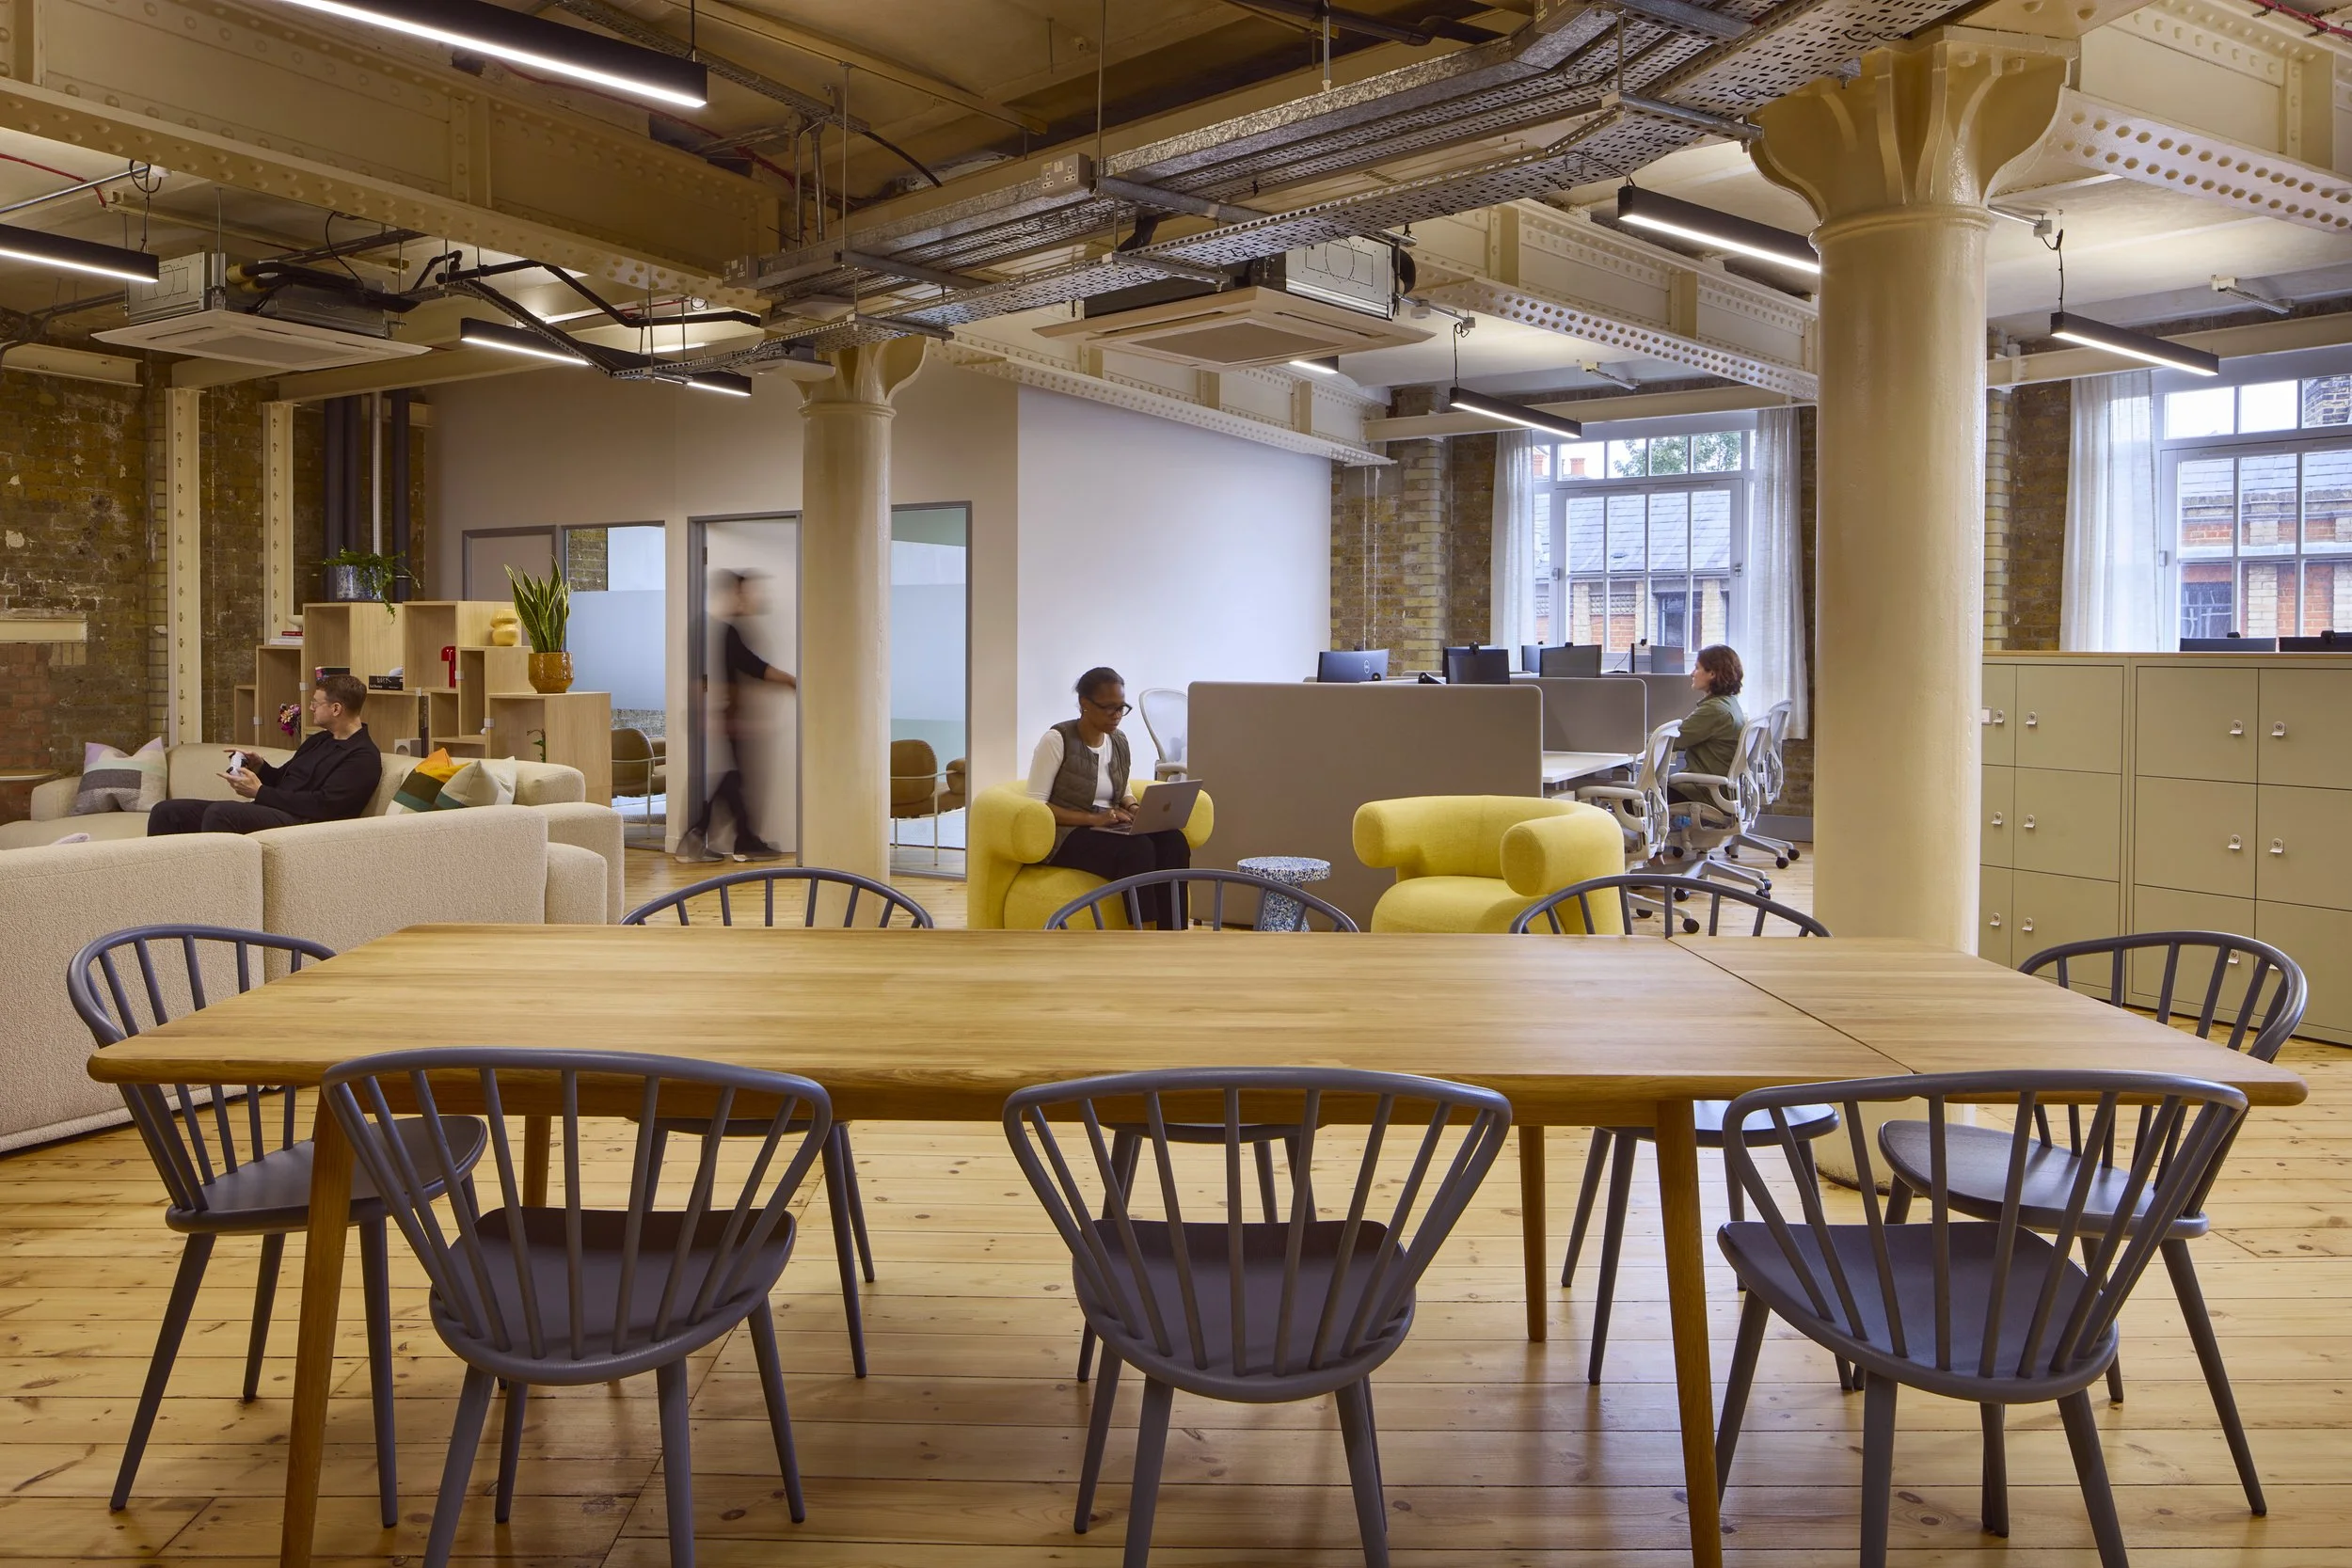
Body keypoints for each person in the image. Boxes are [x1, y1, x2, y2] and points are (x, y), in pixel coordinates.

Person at [1027, 667, 1190, 929]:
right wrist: (1093, 818)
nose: (1117, 716)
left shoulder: (1118, 741)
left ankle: (1173, 931)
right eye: (1108, 708)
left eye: (1121, 708)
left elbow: (1122, 788)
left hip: (1108, 824)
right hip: (1067, 834)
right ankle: (1142, 930)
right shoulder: (1057, 740)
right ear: (1085, 704)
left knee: (1174, 841)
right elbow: (1036, 805)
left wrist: (1134, 807)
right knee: (1137, 849)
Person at [150, 673, 382, 835]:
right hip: (276, 809)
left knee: (221, 813)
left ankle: (217, 897)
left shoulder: (362, 757)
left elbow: (324, 805)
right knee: (168, 812)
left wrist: (259, 792)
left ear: (336, 709)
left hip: (304, 824)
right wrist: (260, 766)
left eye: (315, 703)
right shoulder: (321, 739)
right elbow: (285, 779)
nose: (310, 708)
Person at [678, 569, 798, 863]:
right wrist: (792, 681)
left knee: (733, 780)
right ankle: (715, 838)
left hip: (724, 719)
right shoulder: (709, 628)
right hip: (717, 720)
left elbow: (748, 664)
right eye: (745, 592)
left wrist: (790, 681)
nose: (749, 598)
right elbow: (736, 669)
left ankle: (730, 838)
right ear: (732, 593)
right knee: (731, 780)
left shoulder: (725, 630)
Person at [1670, 643, 1746, 801]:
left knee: (1630, 799)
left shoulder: (1714, 710)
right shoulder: (1729, 702)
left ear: (1712, 673)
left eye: (1697, 668)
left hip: (1702, 791)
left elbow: (1673, 740)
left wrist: (1634, 740)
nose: (1692, 673)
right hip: (1715, 788)